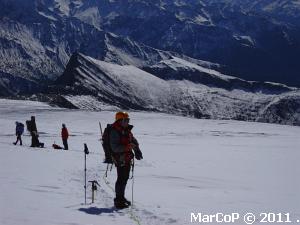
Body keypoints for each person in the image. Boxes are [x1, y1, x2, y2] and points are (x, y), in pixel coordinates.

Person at [109, 112, 143, 209]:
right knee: (121, 179)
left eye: (128, 120)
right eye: (125, 120)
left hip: (126, 158)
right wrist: (128, 147)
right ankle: (118, 201)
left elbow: (133, 140)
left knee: (124, 178)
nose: (127, 122)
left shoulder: (126, 130)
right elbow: (114, 147)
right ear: (120, 121)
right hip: (120, 159)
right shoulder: (114, 131)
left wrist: (137, 149)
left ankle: (121, 198)